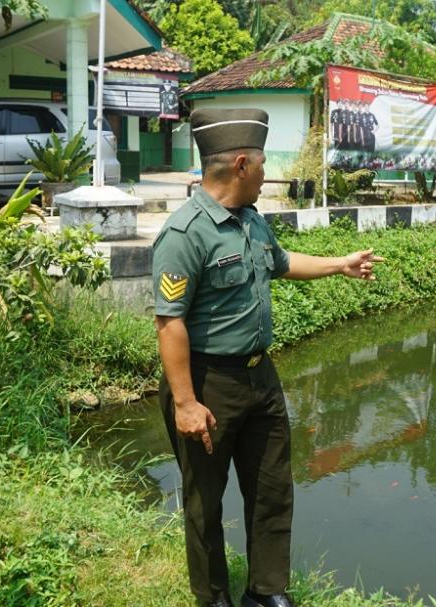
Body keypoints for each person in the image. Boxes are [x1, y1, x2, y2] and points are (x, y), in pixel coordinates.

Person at [152, 108, 384, 607]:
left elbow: (281, 263)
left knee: (273, 490)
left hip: (262, 377)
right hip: (209, 382)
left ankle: (266, 592)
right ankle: (213, 597)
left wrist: (339, 264)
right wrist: (186, 403)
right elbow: (169, 322)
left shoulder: (252, 221)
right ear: (241, 165)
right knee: (204, 502)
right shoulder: (185, 233)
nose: (266, 174)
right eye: (262, 163)